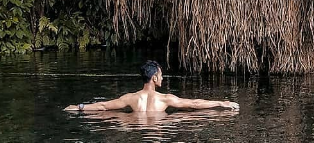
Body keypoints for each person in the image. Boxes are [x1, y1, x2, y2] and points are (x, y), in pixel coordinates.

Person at [64, 60, 240, 113]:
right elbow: (194, 104)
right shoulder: (165, 99)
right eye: (161, 75)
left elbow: (103, 106)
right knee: (184, 118)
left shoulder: (130, 98)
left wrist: (79, 107)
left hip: (135, 126)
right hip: (159, 126)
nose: (162, 78)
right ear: (154, 77)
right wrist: (221, 103)